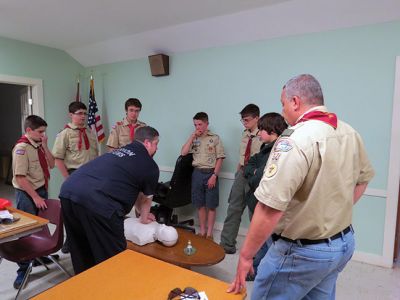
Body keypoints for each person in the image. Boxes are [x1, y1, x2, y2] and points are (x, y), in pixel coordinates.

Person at [228, 74, 375, 299]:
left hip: (302, 253)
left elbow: (269, 208)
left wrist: (247, 256)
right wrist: (329, 214)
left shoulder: (294, 140)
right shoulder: (348, 132)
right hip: (342, 244)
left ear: (295, 101)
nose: (283, 110)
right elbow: (362, 180)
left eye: (283, 103)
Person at [59, 126, 160, 274]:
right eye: (156, 143)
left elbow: (136, 190)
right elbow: (146, 199)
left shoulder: (117, 153)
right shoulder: (149, 165)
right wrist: (144, 218)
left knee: (81, 248)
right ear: (147, 143)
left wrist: (141, 212)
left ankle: (86, 287)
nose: (157, 148)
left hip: (68, 192)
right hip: (99, 202)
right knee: (113, 256)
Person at [11, 115, 55, 289]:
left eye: (44, 132)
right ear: (29, 130)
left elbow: (51, 165)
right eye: (40, 132)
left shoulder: (39, 145)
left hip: (41, 189)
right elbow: (20, 178)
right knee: (26, 231)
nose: (43, 135)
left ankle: (38, 255)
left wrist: (44, 144)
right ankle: (23, 269)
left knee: (41, 226)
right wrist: (35, 197)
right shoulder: (21, 148)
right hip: (27, 194)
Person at [243, 112, 287, 281]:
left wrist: (254, 173)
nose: (259, 133)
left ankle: (267, 276)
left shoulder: (279, 149)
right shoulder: (265, 148)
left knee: (269, 244)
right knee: (260, 241)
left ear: (271, 130)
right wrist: (254, 171)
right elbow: (250, 164)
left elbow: (260, 177)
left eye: (261, 129)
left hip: (266, 204)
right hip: (257, 201)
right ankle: (254, 270)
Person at [52, 101, 99, 253]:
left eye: (85, 113)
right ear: (71, 115)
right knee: (71, 210)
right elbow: (57, 159)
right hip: (74, 174)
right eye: (79, 113)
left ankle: (88, 238)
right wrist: (68, 178)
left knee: (89, 209)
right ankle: (70, 240)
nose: (83, 116)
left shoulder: (90, 133)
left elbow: (96, 155)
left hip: (91, 175)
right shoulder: (64, 134)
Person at [220, 104, 262, 254]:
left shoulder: (264, 135)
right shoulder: (245, 134)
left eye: (247, 120)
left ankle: (256, 252)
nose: (244, 123)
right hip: (242, 173)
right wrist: (237, 174)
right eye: (242, 120)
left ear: (257, 118)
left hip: (256, 178)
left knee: (255, 214)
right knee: (233, 208)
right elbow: (242, 156)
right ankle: (226, 244)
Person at [181, 112, 225, 239]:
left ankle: (210, 234)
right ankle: (202, 231)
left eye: (200, 124)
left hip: (211, 173)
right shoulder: (194, 138)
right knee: (200, 204)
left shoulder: (215, 138)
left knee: (211, 205)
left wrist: (214, 175)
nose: (197, 127)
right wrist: (191, 137)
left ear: (207, 124)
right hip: (197, 173)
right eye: (195, 125)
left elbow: (220, 158)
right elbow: (183, 153)